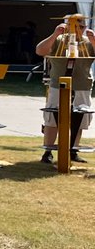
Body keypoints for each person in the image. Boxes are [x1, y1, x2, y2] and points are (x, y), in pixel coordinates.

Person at [36, 14, 95, 163]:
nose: (77, 30)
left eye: (80, 27)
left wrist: (93, 40)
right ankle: (48, 151)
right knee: (52, 118)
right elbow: (40, 51)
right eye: (73, 26)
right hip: (58, 85)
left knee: (79, 117)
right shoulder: (58, 41)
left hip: (82, 86)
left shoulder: (88, 43)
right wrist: (55, 33)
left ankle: (73, 151)